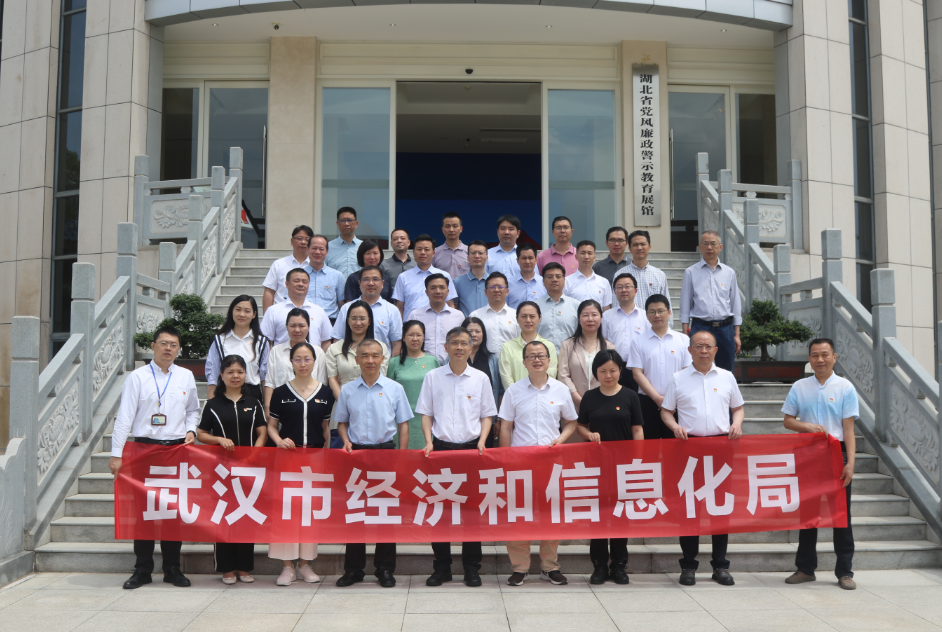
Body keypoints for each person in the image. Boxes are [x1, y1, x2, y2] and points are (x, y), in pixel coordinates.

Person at [109, 326, 199, 590]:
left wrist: (191, 430)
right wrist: (116, 454)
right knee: (143, 513)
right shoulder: (137, 377)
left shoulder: (185, 376)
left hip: (175, 451)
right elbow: (125, 417)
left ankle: (172, 568)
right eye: (164, 343)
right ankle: (143, 569)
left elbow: (193, 410)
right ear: (153, 345)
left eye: (173, 344)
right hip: (144, 451)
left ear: (178, 348)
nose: (168, 348)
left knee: (173, 511)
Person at [660, 330, 744, 587]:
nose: (704, 350)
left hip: (721, 446)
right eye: (698, 346)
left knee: (720, 508)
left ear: (716, 350)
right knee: (690, 508)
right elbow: (666, 411)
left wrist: (737, 424)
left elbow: (738, 408)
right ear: (690, 350)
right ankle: (688, 565)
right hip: (689, 448)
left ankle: (720, 565)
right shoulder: (678, 378)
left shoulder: (727, 377)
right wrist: (675, 427)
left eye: (708, 346)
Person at [415, 327, 498, 588]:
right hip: (440, 450)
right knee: (440, 511)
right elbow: (426, 413)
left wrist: (483, 441)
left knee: (471, 512)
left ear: (471, 347)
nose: (459, 347)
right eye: (454, 343)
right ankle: (442, 568)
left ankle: (471, 568)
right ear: (446, 347)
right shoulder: (433, 377)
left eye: (464, 343)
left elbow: (487, 415)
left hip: (471, 450)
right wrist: (429, 441)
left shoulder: (481, 378)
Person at [335, 339, 414, 589]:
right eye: (365, 356)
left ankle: (385, 569)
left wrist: (401, 456)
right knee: (355, 513)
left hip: (386, 454)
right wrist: (345, 441)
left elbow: (403, 424)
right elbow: (341, 423)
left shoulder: (394, 388)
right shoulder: (347, 390)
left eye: (375, 355)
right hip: (356, 455)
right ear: (357, 360)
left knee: (385, 514)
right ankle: (353, 569)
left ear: (382, 359)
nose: (370, 360)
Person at [499, 340, 577, 587]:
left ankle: (549, 566)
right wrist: (505, 459)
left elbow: (571, 422)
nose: (536, 360)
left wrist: (560, 440)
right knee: (518, 515)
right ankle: (519, 568)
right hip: (520, 463)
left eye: (541, 355)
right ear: (524, 362)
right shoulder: (514, 391)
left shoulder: (560, 390)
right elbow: (506, 427)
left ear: (549, 361)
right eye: (531, 356)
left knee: (550, 515)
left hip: (551, 463)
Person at [782, 338, 858, 591]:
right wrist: (807, 427)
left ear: (834, 357)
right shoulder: (800, 386)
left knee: (841, 515)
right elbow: (788, 421)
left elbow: (849, 429)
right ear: (809, 359)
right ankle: (805, 568)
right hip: (808, 455)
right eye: (815, 355)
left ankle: (845, 571)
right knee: (809, 514)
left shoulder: (845, 387)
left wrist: (850, 463)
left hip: (837, 454)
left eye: (825, 354)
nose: (820, 359)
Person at [266, 342, 334, 586]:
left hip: (314, 460)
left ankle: (305, 564)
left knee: (309, 511)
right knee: (286, 510)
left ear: (315, 361)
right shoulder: (281, 392)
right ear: (291, 362)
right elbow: (272, 427)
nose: (303, 364)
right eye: (298, 359)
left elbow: (325, 428)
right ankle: (287, 567)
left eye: (307, 359)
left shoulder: (325, 393)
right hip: (288, 459)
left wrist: (326, 457)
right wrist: (279, 441)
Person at [197, 355, 268, 585]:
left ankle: (244, 567)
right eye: (230, 372)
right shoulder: (213, 404)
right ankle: (226, 568)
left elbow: (262, 432)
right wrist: (218, 440)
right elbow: (201, 434)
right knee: (224, 517)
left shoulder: (254, 403)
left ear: (246, 374)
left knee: (246, 516)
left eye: (240, 371)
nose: (235, 376)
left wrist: (254, 455)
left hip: (249, 469)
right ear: (222, 375)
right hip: (222, 471)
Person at [576, 349, 644, 585]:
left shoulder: (630, 396)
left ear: (620, 371)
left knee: (620, 516)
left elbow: (637, 430)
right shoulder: (589, 397)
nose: (608, 375)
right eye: (603, 371)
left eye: (612, 370)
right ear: (596, 373)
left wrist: (638, 462)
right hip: (596, 467)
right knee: (597, 516)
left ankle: (619, 565)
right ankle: (599, 566)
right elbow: (580, 426)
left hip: (623, 467)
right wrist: (589, 434)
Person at [326, 301, 391, 448]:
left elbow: (380, 377)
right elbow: (332, 380)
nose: (358, 322)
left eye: (362, 318)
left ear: (369, 321)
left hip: (372, 407)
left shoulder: (381, 347)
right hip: (342, 409)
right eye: (354, 318)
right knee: (342, 457)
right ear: (348, 321)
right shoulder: (334, 349)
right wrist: (346, 403)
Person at [628, 294, 691, 439]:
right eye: (652, 312)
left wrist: (671, 399)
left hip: (677, 402)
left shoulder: (683, 340)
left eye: (661, 311)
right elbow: (637, 373)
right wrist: (657, 398)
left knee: (676, 444)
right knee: (650, 445)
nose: (657, 315)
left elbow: (687, 371)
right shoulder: (638, 341)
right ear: (647, 315)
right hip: (647, 401)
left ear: (669, 313)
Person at [679, 230, 742, 372]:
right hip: (700, 326)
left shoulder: (729, 273)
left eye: (713, 244)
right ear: (700, 247)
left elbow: (735, 304)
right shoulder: (691, 272)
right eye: (705, 244)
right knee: (698, 367)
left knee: (726, 370)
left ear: (720, 247)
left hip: (725, 328)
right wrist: (685, 333)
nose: (709, 247)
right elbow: (685, 304)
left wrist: (737, 334)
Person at [265, 308, 328, 420]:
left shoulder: (318, 352)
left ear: (308, 327)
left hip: (311, 408)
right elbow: (270, 382)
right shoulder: (276, 351)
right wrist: (267, 407)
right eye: (293, 325)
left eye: (301, 326)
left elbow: (322, 382)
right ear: (286, 327)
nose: (297, 330)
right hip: (281, 407)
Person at [205, 295, 270, 402]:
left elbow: (265, 377)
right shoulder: (220, 340)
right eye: (238, 310)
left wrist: (266, 406)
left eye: (247, 311)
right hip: (225, 395)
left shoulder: (261, 342)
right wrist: (211, 404)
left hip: (252, 396)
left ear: (254, 314)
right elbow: (213, 375)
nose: (242, 314)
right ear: (232, 311)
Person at [387, 321, 441, 449]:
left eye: (419, 335)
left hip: (426, 420)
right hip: (401, 420)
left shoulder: (433, 361)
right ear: (403, 338)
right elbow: (389, 393)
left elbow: (438, 392)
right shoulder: (394, 362)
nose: (415, 338)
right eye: (411, 335)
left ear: (424, 337)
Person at [332, 265, 403, 355]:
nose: (371, 283)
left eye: (375, 279)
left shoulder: (392, 310)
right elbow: (338, 340)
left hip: (382, 362)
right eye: (366, 279)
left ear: (382, 283)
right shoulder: (346, 308)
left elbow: (396, 344)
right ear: (359, 283)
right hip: (351, 362)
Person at [558, 300, 613, 414]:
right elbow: (563, 375)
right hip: (573, 407)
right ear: (579, 319)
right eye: (585, 315)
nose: (590, 319)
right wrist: (579, 400)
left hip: (602, 406)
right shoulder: (567, 345)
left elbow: (612, 377)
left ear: (601, 318)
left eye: (594, 315)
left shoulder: (609, 347)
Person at [260, 268, 332, 349]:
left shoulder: (319, 311)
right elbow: (266, 341)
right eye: (296, 281)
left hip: (314, 356)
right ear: (287, 284)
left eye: (304, 282)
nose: (301, 284)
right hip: (282, 356)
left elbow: (326, 341)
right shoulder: (273, 311)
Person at [392, 234, 457, 318]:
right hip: (411, 324)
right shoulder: (403, 277)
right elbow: (399, 307)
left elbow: (450, 304)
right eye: (419, 249)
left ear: (433, 253)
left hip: (438, 323)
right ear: (413, 252)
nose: (422, 253)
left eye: (426, 249)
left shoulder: (444, 276)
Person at [462, 316, 502, 447]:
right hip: (461, 419)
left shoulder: (493, 360)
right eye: (470, 331)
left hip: (486, 419)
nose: (474, 334)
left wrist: (498, 419)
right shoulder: (453, 359)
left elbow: (500, 391)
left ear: (483, 334)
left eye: (477, 331)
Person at [499, 301, 558, 390]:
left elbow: (551, 374)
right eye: (523, 316)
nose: (528, 320)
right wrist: (520, 395)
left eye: (532, 316)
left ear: (539, 318)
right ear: (517, 319)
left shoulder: (549, 346)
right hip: (516, 396)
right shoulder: (507, 347)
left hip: (543, 395)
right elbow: (507, 379)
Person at [407, 273, 465, 363]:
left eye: (442, 287)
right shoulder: (415, 315)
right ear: (426, 292)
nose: (438, 291)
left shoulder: (458, 316)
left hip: (450, 365)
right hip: (423, 365)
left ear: (448, 292)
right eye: (433, 288)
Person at [613, 230, 671, 320]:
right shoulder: (620, 274)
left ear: (649, 247)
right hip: (629, 323)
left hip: (653, 323)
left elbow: (666, 303)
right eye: (635, 245)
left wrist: (668, 325)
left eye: (643, 244)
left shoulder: (659, 275)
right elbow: (615, 303)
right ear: (630, 248)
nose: (639, 248)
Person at [602, 273, 650, 381]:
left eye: (627, 286)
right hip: (614, 367)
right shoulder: (607, 316)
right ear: (615, 292)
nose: (624, 290)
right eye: (619, 287)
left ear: (636, 290)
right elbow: (603, 342)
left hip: (639, 368)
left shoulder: (645, 316)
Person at [262, 225, 312, 311]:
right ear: (292, 241)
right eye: (299, 239)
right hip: (282, 312)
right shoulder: (279, 264)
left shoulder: (316, 265)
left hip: (308, 312)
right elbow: (269, 292)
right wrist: (267, 315)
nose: (303, 242)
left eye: (307, 239)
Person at [469, 272, 519, 355]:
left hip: (510, 361)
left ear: (507, 291)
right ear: (485, 292)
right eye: (492, 287)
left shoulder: (516, 315)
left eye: (500, 287)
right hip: (483, 361)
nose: (496, 290)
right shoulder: (475, 316)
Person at [537, 262, 579, 353]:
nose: (554, 280)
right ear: (543, 281)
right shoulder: (535, 307)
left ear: (564, 280)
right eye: (549, 277)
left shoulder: (576, 305)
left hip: (569, 357)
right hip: (542, 358)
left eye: (558, 276)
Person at [302, 235, 345, 322]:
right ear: (307, 250)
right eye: (314, 248)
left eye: (321, 249)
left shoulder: (337, 276)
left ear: (327, 252)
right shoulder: (298, 275)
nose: (317, 252)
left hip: (330, 321)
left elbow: (342, 304)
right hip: (304, 321)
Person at [342, 239, 394, 305]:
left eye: (375, 253)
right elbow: (349, 304)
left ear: (380, 255)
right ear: (361, 255)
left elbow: (390, 303)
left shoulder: (385, 278)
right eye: (368, 253)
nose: (372, 257)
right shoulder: (353, 278)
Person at [564, 241, 612, 309]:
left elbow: (606, 309)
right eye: (583, 253)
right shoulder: (567, 281)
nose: (586, 257)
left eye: (590, 253)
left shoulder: (604, 282)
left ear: (594, 257)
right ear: (576, 257)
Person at [454, 240, 489, 317]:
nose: (477, 256)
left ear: (487, 258)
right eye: (473, 253)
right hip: (467, 324)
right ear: (468, 258)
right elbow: (455, 308)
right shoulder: (458, 282)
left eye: (480, 253)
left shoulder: (493, 282)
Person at [325, 207, 362, 278]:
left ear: (356, 223)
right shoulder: (328, 247)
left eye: (350, 220)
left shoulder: (363, 247)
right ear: (337, 224)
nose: (346, 224)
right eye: (343, 220)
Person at [507, 243, 546, 308]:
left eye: (530, 258)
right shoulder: (508, 284)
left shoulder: (544, 283)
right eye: (524, 258)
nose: (527, 261)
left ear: (536, 260)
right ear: (518, 261)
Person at [432, 212, 469, 279]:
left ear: (461, 229)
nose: (451, 230)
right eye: (447, 226)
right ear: (443, 230)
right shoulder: (435, 253)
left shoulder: (469, 252)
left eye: (455, 226)